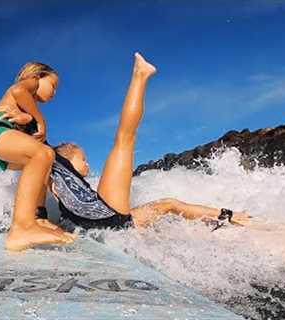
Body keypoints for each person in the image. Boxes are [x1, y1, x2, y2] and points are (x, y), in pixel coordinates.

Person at [44, 52, 250, 231]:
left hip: (112, 220)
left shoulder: (56, 175)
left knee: (168, 204)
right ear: (67, 160)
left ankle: (226, 215)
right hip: (106, 216)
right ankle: (140, 75)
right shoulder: (53, 160)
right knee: (124, 139)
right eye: (82, 159)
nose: (87, 164)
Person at [0, 62, 75, 251]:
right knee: (43, 153)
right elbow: (18, 90)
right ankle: (22, 228)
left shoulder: (26, 108)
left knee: (44, 160)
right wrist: (39, 120)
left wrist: (27, 120)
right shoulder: (32, 83)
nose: (54, 93)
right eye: (53, 86)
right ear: (39, 76)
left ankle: (38, 218)